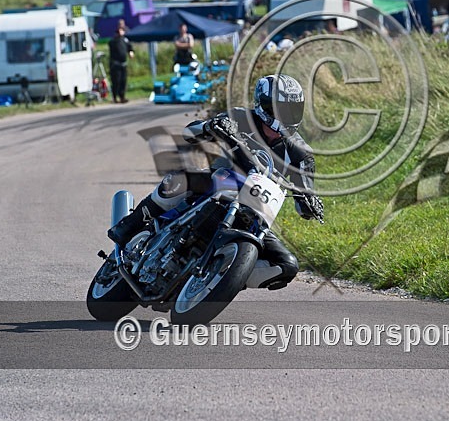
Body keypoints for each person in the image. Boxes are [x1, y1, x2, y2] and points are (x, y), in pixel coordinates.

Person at [107, 74, 324, 290]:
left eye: (292, 109)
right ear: (264, 105)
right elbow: (189, 133)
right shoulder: (241, 117)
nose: (286, 116)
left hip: (255, 212)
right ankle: (129, 225)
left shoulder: (301, 154)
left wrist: (309, 202)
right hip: (217, 183)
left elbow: (304, 200)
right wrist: (211, 126)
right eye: (280, 108)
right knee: (179, 180)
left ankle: (223, 277)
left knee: (287, 265)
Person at [108, 25, 134, 103]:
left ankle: (122, 97)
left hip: (123, 64)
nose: (121, 32)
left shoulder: (125, 40)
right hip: (116, 64)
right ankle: (115, 97)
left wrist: (131, 52)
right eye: (119, 31)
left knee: (123, 81)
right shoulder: (113, 41)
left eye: (122, 31)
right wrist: (117, 37)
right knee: (116, 81)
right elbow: (111, 46)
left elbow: (130, 47)